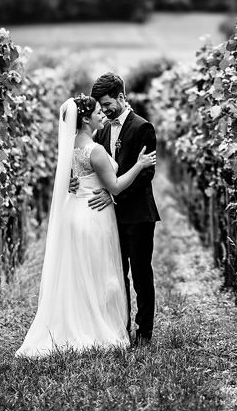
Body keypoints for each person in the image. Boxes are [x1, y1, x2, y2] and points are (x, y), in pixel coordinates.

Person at [15, 94, 157, 358]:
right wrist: (139, 165)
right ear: (85, 118)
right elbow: (113, 185)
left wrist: (79, 184)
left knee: (82, 274)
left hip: (77, 211)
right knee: (100, 274)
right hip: (95, 215)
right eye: (96, 112)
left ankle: (79, 324)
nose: (101, 114)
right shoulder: (96, 148)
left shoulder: (71, 147)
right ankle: (98, 328)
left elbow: (75, 179)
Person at [83, 72, 161, 345]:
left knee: (141, 273)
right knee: (116, 274)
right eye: (99, 106)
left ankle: (144, 334)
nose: (103, 110)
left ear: (122, 97)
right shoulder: (101, 131)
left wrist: (113, 195)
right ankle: (120, 328)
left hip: (139, 215)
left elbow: (145, 177)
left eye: (107, 104)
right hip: (111, 218)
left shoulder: (143, 128)